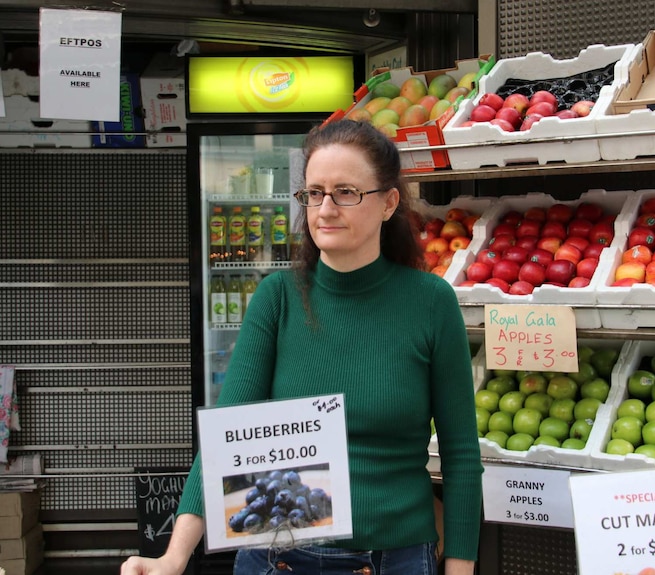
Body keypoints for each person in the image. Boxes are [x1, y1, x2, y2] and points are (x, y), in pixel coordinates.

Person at [121, 119, 483, 575]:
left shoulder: (431, 303)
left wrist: (460, 568)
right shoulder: (277, 298)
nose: (325, 208)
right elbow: (227, 438)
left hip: (396, 559)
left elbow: (462, 456)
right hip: (279, 559)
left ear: (389, 203)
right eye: (314, 193)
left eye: (346, 192)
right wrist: (174, 556)